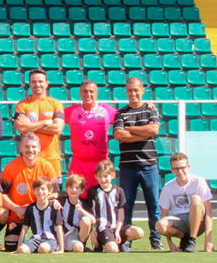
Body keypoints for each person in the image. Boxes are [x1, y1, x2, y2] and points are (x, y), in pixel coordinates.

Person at [113, 77, 164, 249]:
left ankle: (156, 240)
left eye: (136, 90)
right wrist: (144, 133)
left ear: (142, 90)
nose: (133, 93)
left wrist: (129, 129)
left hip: (149, 165)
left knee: (154, 205)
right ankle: (126, 240)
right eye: (129, 90)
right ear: (126, 91)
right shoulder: (121, 113)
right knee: (126, 207)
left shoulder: (151, 110)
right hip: (127, 166)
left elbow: (154, 129)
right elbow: (119, 135)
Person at [0, 133, 59, 252]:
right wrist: (16, 208)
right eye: (27, 147)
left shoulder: (47, 167)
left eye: (33, 147)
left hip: (41, 216)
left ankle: (46, 240)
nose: (30, 150)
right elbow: (1, 195)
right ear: (21, 147)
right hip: (18, 215)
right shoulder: (11, 167)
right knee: (11, 247)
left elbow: (55, 193)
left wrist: (35, 207)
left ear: (39, 148)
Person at [64, 81, 117, 199]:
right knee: (75, 199)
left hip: (100, 163)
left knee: (101, 199)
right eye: (85, 91)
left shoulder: (107, 111)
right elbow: (52, 115)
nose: (88, 94)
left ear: (96, 94)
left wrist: (147, 105)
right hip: (79, 163)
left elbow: (127, 116)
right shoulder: (71, 111)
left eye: (91, 91)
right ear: (80, 93)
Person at [13, 68, 65, 181]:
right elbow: (21, 128)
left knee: (53, 196)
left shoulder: (56, 104)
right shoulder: (21, 105)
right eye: (34, 81)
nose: (37, 84)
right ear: (29, 84)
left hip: (52, 160)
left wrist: (30, 126)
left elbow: (57, 128)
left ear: (46, 84)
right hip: (29, 160)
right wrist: (45, 122)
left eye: (40, 81)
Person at [155, 153, 212, 253]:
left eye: (182, 168)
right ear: (172, 170)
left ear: (188, 167)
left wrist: (208, 241)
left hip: (199, 221)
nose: (180, 172)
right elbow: (163, 215)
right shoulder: (168, 187)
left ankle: (192, 241)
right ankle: (185, 238)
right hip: (180, 221)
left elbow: (208, 212)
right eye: (176, 169)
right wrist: (170, 244)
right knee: (159, 225)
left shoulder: (199, 181)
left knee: (195, 199)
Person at [86, 161, 146, 253]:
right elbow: (89, 214)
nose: (103, 179)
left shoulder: (119, 191)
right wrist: (93, 234)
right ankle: (104, 243)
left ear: (112, 175)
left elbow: (121, 214)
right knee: (113, 250)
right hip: (103, 228)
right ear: (96, 176)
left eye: (105, 176)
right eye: (100, 176)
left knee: (139, 232)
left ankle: (119, 243)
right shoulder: (93, 192)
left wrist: (118, 231)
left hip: (116, 227)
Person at [11, 177, 64, 255]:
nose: (40, 192)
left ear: (49, 191)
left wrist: (61, 249)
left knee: (43, 248)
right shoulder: (30, 208)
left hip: (50, 240)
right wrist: (19, 247)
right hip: (36, 239)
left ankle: (54, 247)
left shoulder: (54, 207)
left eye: (43, 189)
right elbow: (24, 228)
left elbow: (59, 229)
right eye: (37, 189)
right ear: (33, 191)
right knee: (22, 250)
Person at [60, 174, 96, 253]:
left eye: (77, 188)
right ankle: (77, 247)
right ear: (66, 189)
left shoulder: (84, 203)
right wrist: (54, 201)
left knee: (86, 220)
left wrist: (81, 210)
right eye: (71, 187)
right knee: (78, 247)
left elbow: (93, 220)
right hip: (66, 235)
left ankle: (81, 244)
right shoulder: (61, 201)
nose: (74, 190)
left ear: (82, 190)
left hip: (78, 234)